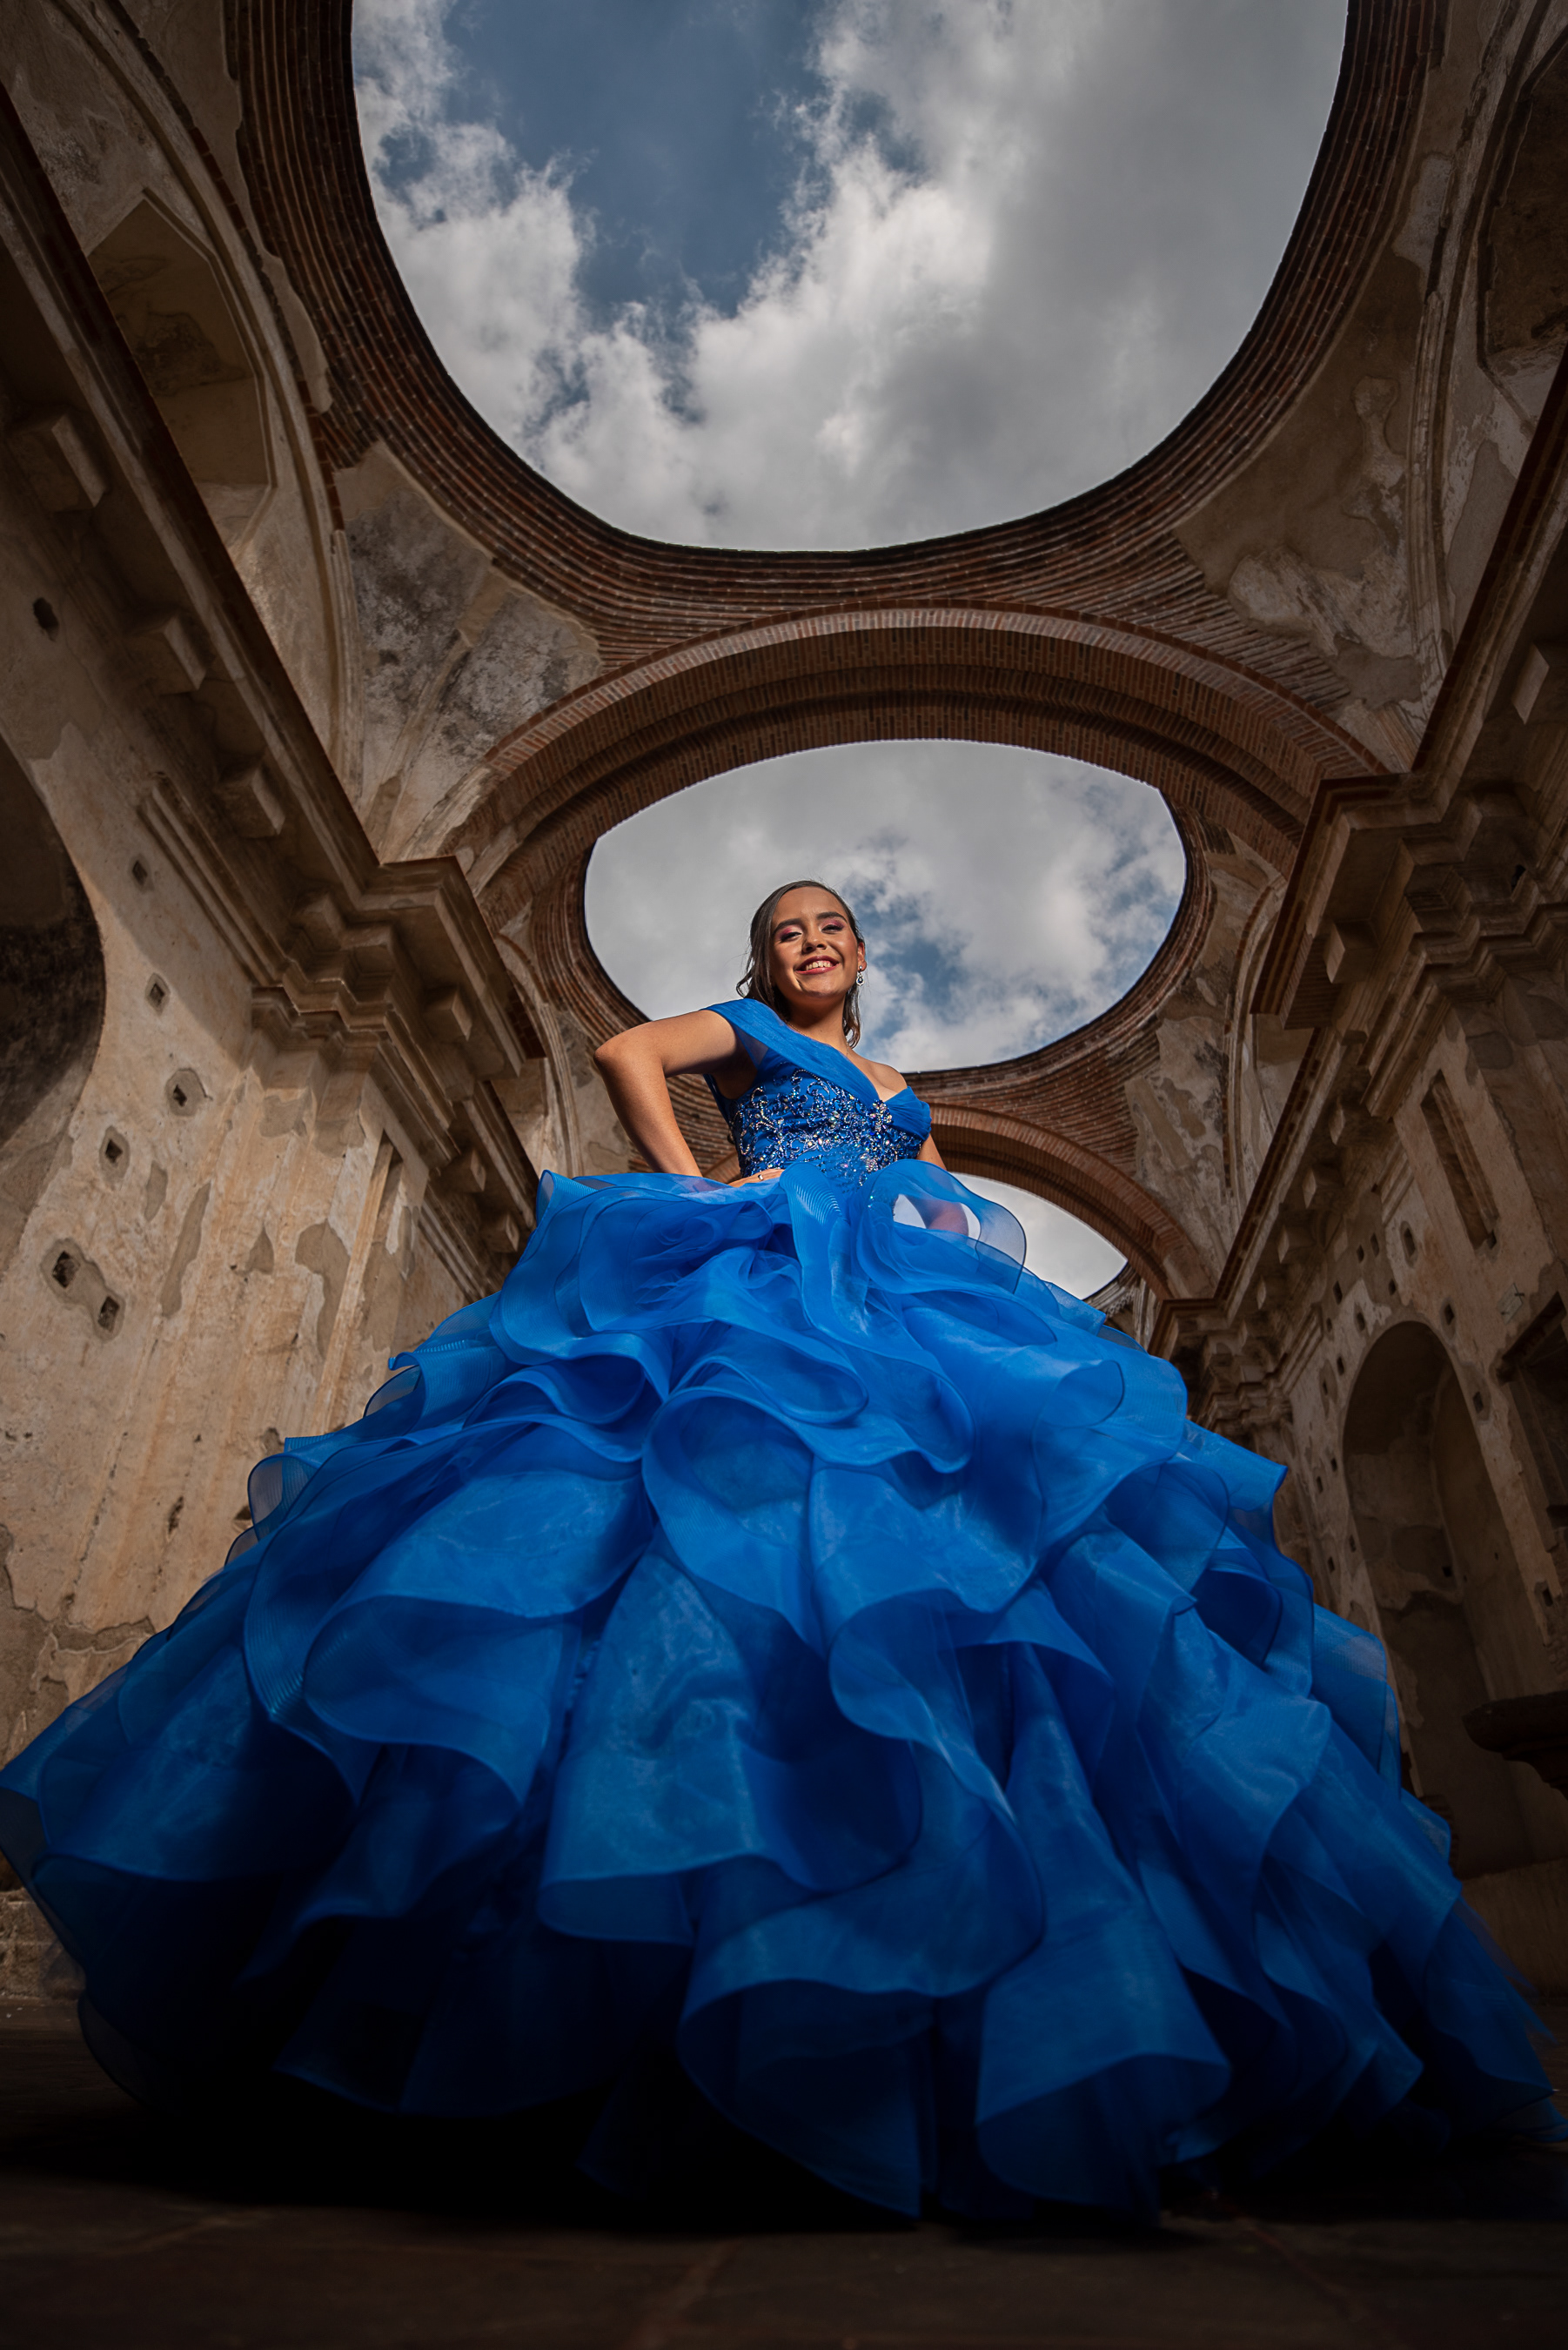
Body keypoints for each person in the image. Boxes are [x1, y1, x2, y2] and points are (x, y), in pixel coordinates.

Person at [1, 879, 1560, 2219]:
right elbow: (626, 1051)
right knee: (715, 1537)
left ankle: (945, 1991)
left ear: (862, 952)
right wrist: (703, 1188)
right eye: (787, 930)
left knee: (970, 1574)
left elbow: (924, 1182)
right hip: (761, 1271)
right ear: (764, 963)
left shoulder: (897, 1083)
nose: (811, 943)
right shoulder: (746, 1034)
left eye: (830, 928)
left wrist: (935, 1231)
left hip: (890, 1296)